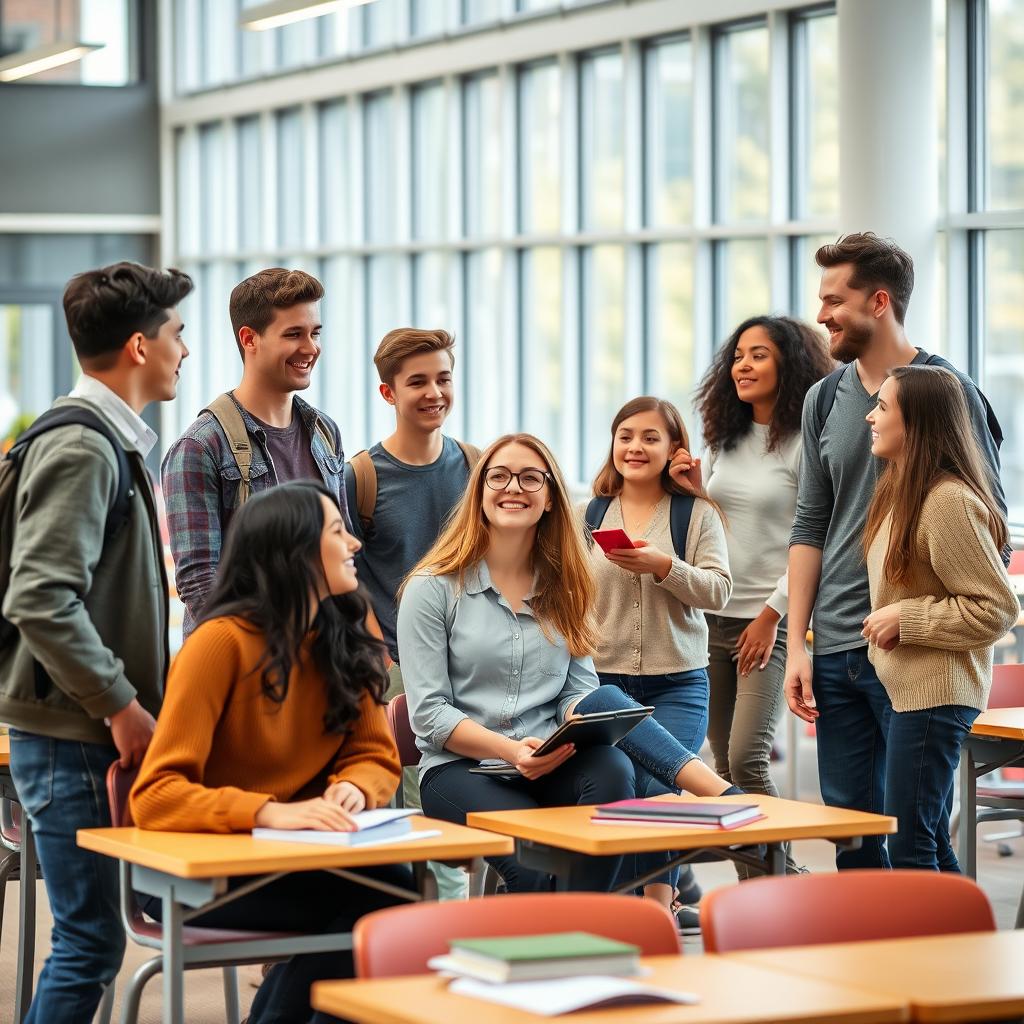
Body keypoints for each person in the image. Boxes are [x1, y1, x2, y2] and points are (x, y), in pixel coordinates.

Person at [398, 432, 742, 895]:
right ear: (479, 495)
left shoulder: (569, 588)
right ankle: (569, 920)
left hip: (550, 759)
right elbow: (430, 714)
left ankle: (581, 916)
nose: (513, 487)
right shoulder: (432, 588)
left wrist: (568, 728)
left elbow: (575, 692)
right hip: (463, 769)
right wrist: (511, 750)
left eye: (529, 478)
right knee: (538, 863)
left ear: (550, 500)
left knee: (614, 764)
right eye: (498, 477)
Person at [130, 481, 406, 1024]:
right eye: (335, 532)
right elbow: (155, 796)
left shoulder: (347, 636)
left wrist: (354, 785)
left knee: (392, 889)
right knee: (379, 906)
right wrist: (267, 811)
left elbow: (375, 754)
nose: (354, 543)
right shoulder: (219, 644)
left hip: (297, 860)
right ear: (294, 550)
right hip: (192, 875)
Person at [0, 262, 192, 1022]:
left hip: (80, 731)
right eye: (178, 334)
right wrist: (120, 705)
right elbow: (39, 597)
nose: (186, 350)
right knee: (88, 942)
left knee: (92, 940)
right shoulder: (84, 448)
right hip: (74, 733)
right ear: (141, 347)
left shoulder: (103, 441)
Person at [784, 232, 1008, 868]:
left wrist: (912, 617)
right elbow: (810, 524)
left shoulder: (947, 393)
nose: (822, 314)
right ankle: (874, 964)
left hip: (912, 654)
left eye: (835, 300)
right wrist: (797, 644)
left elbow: (983, 521)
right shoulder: (824, 398)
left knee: (918, 836)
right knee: (853, 839)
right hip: (836, 645)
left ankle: (948, 961)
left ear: (879, 302)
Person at [687, 316, 832, 875]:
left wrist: (773, 615)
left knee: (747, 757)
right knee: (722, 762)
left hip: (767, 622)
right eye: (738, 355)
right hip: (712, 618)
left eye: (759, 355)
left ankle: (782, 877)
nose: (742, 366)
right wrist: (697, 494)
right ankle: (765, 885)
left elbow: (810, 536)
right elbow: (725, 526)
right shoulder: (726, 437)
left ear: (788, 365)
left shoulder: (805, 444)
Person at [861, 364, 1017, 870]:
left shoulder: (947, 501)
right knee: (926, 839)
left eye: (883, 407)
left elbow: (996, 608)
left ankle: (931, 950)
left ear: (919, 424)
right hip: (909, 690)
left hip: (937, 695)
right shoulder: (897, 490)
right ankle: (971, 947)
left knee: (910, 845)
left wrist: (907, 618)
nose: (870, 417)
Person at [344, 327, 479, 900]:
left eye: (443, 378)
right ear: (387, 393)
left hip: (468, 660)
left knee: (457, 790)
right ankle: (429, 923)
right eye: (417, 381)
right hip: (394, 662)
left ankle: (445, 919)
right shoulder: (361, 477)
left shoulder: (478, 466)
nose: (433, 392)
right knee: (408, 798)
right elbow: (344, 575)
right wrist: (380, 652)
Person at [582, 396, 731, 915]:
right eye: (626, 436)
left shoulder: (696, 514)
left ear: (674, 448)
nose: (635, 447)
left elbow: (718, 593)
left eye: (650, 437)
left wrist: (664, 566)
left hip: (679, 682)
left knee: (654, 790)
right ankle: (661, 895)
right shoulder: (590, 513)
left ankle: (656, 908)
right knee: (620, 790)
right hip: (603, 684)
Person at [162, 267, 346, 638]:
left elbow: (344, 551)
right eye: (294, 334)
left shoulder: (325, 431)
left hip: (325, 662)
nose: (310, 348)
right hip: (248, 670)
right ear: (250, 339)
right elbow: (201, 586)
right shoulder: (200, 447)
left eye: (314, 333)